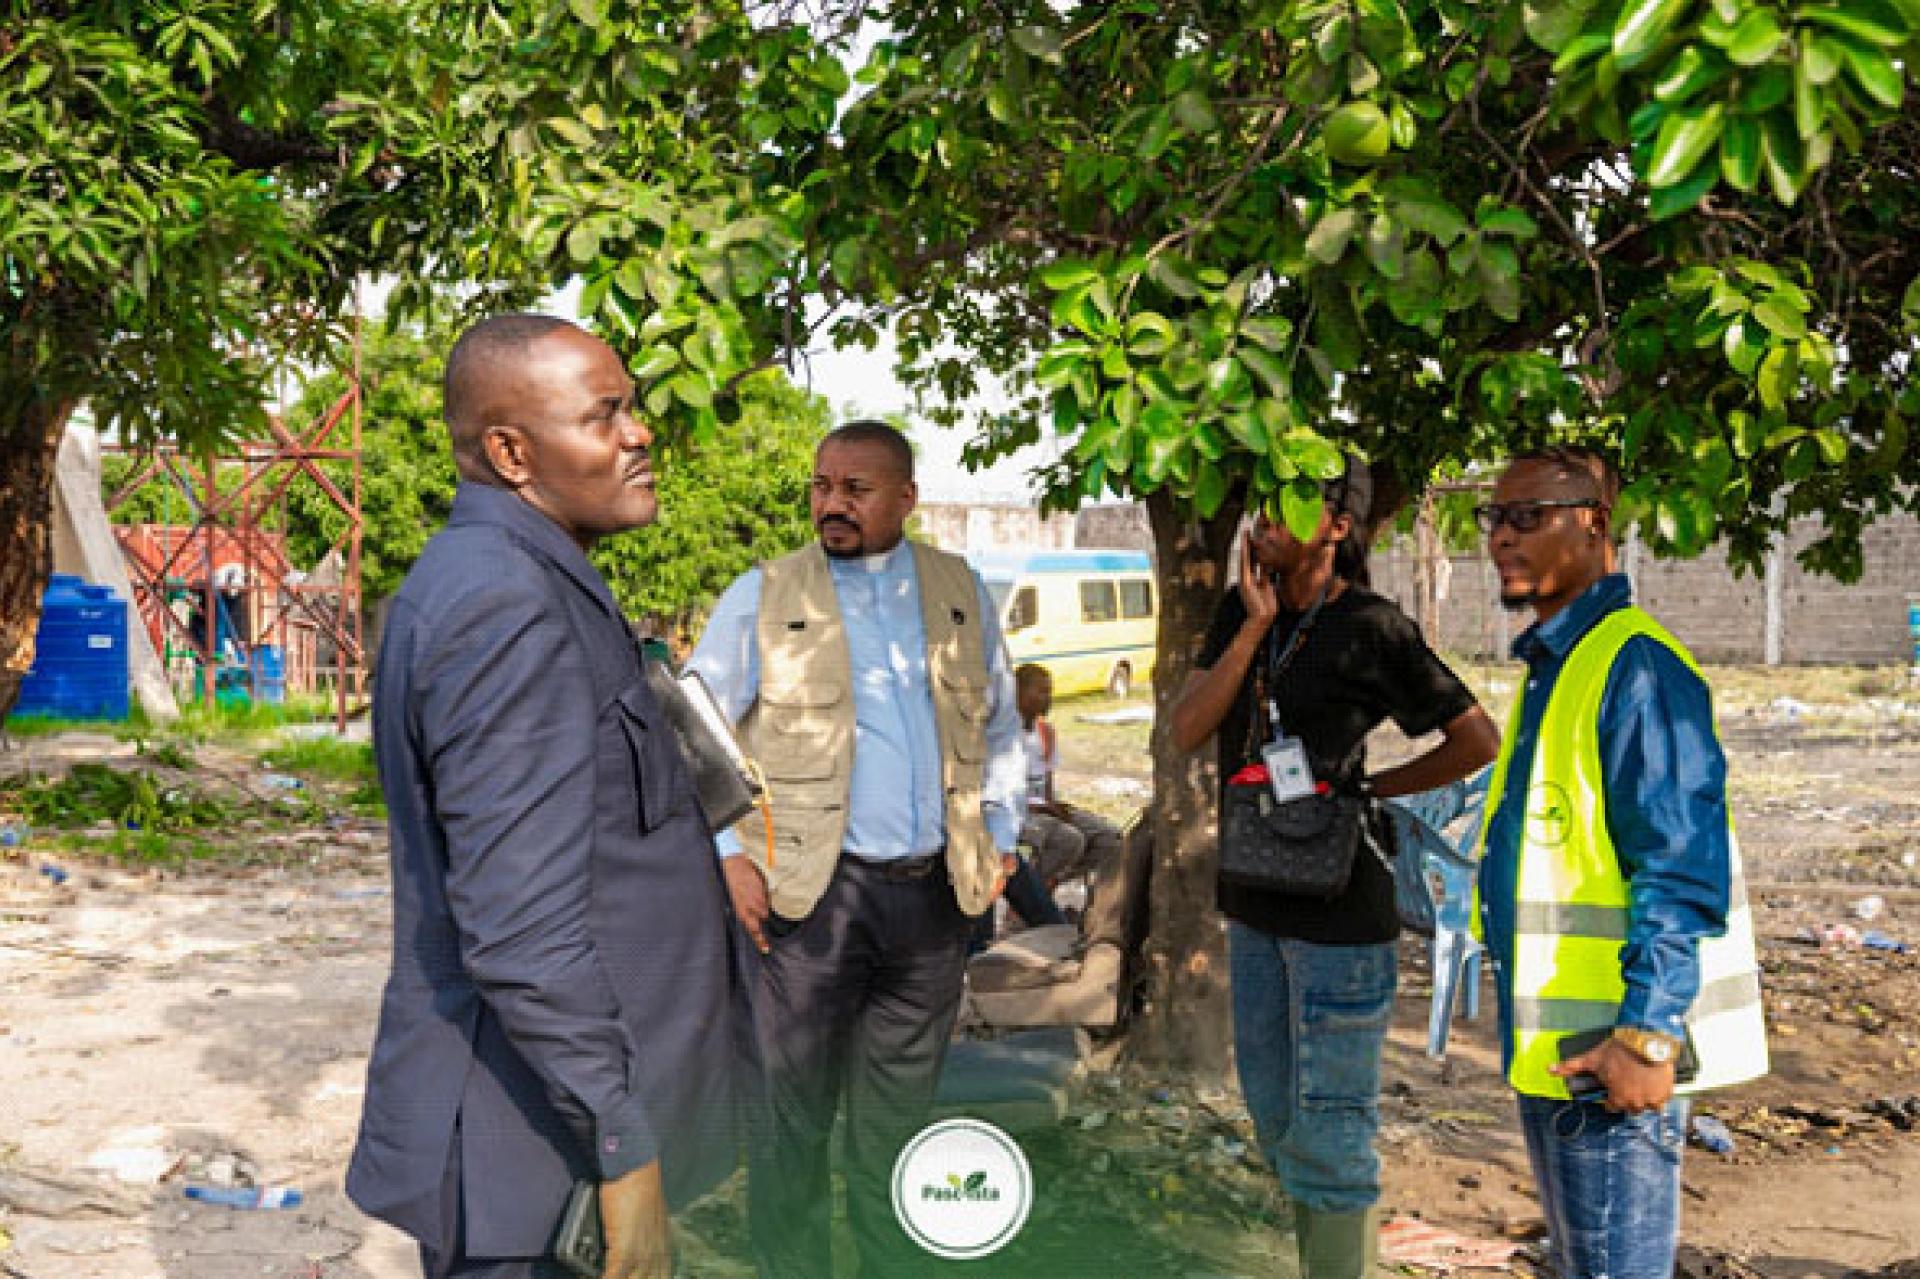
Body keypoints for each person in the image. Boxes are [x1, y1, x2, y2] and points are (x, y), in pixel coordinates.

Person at [346, 315, 747, 1279]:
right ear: (512, 452)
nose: (638, 432)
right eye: (604, 415)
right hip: (531, 1160)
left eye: (631, 408)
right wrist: (623, 1147)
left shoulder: (531, 577)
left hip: (545, 1144)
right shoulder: (503, 604)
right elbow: (519, 928)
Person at [687, 419, 1025, 1278]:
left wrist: (1005, 833)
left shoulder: (960, 591)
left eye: (855, 490)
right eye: (821, 486)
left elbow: (1002, 722)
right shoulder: (763, 594)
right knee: (791, 1120)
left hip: (931, 904)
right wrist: (728, 849)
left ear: (906, 498)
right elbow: (694, 722)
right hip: (809, 901)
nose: (831, 505)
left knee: (896, 1127)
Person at [1171, 457, 1499, 1278]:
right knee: (1276, 1118)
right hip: (1254, 905)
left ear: (1340, 525)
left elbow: (1477, 738)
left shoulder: (1372, 627)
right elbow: (1185, 730)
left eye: (1291, 503)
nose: (1264, 518)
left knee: (1334, 1131)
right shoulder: (1245, 616)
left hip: (1339, 915)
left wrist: (1370, 789)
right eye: (1261, 501)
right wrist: (1250, 626)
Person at [1474, 447, 1768, 1278]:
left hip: (1610, 1056)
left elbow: (1678, 863)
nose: (1502, 536)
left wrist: (1646, 1035)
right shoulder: (1555, 666)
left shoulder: (1633, 665)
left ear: (1595, 523)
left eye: (1527, 515)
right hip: (1559, 1054)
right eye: (1493, 518)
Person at [1014, 662, 1124, 894]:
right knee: (1069, 840)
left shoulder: (1045, 731)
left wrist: (1052, 805)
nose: (1047, 698)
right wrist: (1039, 808)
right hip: (1015, 812)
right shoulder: (1002, 735)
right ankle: (1025, 904)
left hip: (1043, 807)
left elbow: (1047, 779)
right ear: (1018, 692)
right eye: (1041, 691)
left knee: (1110, 838)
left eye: (1049, 691)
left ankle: (1047, 885)